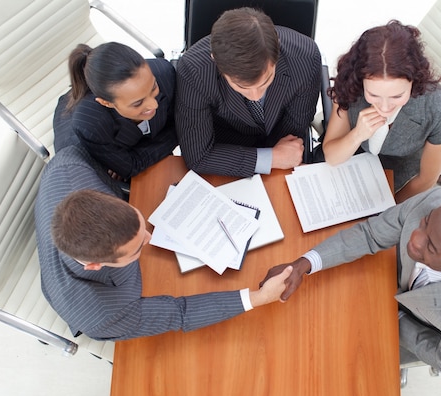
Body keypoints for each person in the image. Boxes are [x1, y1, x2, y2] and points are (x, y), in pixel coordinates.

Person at [34, 144, 292, 341]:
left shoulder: (69, 165)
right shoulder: (104, 316)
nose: (150, 237)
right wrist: (257, 298)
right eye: (137, 248)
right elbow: (179, 312)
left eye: (141, 225)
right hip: (105, 299)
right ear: (93, 265)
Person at [260, 186, 441, 379]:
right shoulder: (435, 201)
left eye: (430, 246)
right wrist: (304, 264)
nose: (414, 238)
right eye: (425, 223)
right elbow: (371, 235)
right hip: (384, 284)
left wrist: (393, 320)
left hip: (408, 327)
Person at [319, 20, 441, 203]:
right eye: (373, 94)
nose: (384, 107)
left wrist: (387, 210)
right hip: (351, 160)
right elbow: (332, 156)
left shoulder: (437, 109)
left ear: (414, 80)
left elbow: (426, 180)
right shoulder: (349, 84)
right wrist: (357, 134)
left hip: (400, 175)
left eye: (397, 96)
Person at [175, 7, 322, 177]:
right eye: (242, 87)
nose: (256, 96)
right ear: (215, 60)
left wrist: (278, 156)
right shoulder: (193, 70)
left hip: (282, 146)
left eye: (265, 81)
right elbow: (198, 156)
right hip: (227, 149)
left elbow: (292, 132)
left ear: (277, 51)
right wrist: (271, 159)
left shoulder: (306, 58)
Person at [53, 42, 178, 182]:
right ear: (106, 103)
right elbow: (131, 167)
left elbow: (181, 122)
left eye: (153, 87)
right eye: (138, 103)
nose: (153, 104)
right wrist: (178, 132)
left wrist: (131, 156)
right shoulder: (90, 128)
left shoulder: (165, 73)